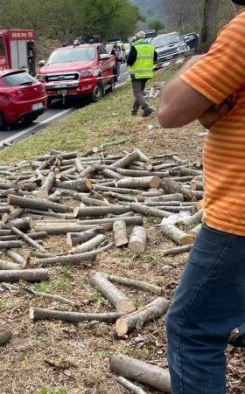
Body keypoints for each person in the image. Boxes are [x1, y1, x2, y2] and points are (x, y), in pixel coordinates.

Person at [158, 5, 245, 392]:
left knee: (190, 331)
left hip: (238, 218)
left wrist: (195, 61)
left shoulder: (243, 32)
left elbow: (170, 110)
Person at [127, 31, 157, 117]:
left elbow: (130, 60)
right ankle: (134, 111)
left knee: (137, 92)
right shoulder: (150, 46)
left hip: (136, 73)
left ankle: (146, 108)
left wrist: (129, 63)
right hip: (147, 72)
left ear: (137, 37)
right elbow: (155, 57)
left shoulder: (135, 46)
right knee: (140, 92)